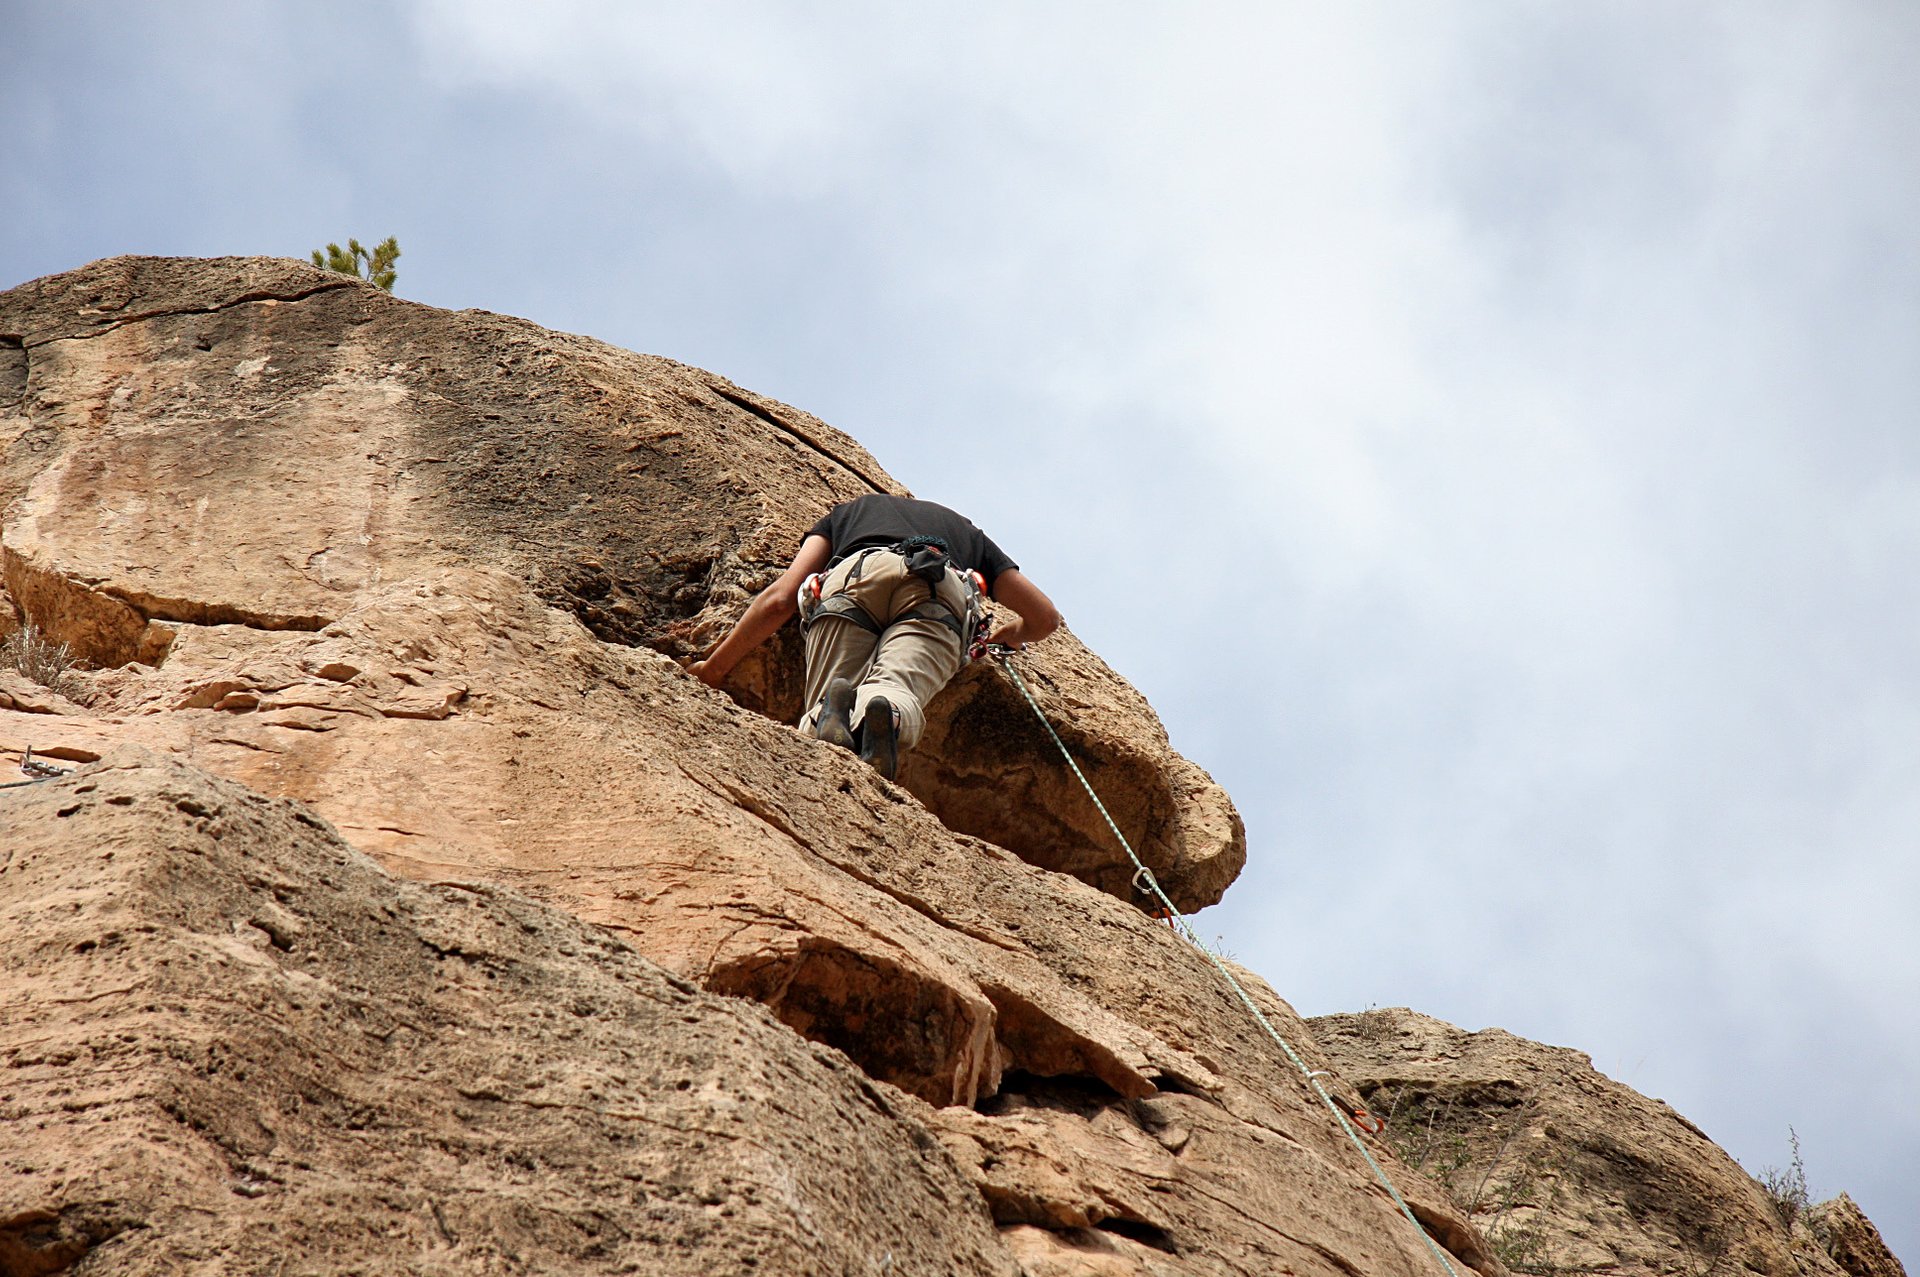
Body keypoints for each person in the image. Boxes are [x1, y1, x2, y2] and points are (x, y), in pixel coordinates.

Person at [689, 493, 1060, 778]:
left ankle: (830, 709)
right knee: (898, 686)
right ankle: (885, 712)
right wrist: (1009, 634)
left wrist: (713, 669)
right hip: (938, 587)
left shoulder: (848, 513)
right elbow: (1044, 618)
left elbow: (781, 598)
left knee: (828, 695)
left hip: (855, 575)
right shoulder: (966, 533)